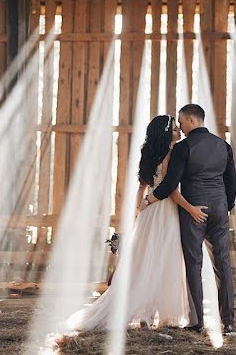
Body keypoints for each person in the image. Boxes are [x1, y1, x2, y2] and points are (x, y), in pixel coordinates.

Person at [66, 115, 209, 331]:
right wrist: (190, 208)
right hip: (165, 211)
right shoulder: (171, 154)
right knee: (163, 259)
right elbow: (170, 190)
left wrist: (138, 210)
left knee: (145, 259)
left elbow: (142, 187)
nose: (179, 130)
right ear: (166, 133)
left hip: (148, 212)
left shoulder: (148, 154)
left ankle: (148, 312)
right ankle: (155, 312)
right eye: (174, 128)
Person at [142, 103, 236, 336]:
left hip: (193, 210)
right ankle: (230, 323)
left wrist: (149, 199)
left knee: (194, 265)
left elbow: (170, 183)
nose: (181, 127)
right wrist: (226, 206)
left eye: (182, 122)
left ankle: (199, 322)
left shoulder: (183, 148)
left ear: (192, 120)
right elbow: (231, 182)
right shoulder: (223, 146)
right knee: (223, 264)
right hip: (219, 208)